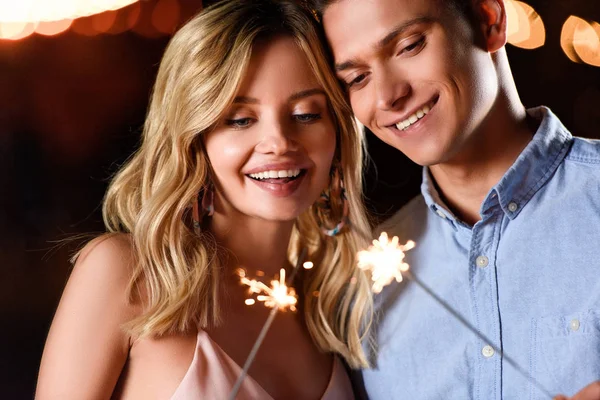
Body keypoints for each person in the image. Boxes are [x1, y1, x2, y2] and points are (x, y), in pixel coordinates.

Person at [35, 1, 374, 398]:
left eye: (305, 114)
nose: (279, 142)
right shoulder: (129, 276)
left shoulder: (334, 309)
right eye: (241, 119)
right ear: (194, 139)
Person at [312, 0, 600, 398]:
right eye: (358, 78)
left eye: (410, 46)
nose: (388, 96)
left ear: (489, 21)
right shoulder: (365, 283)